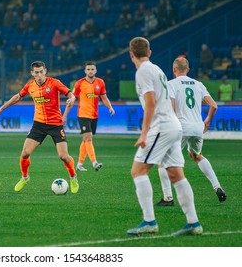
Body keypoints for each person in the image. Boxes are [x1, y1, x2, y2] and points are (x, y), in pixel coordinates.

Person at [126, 37, 202, 236]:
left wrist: (144, 134)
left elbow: (150, 103)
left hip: (161, 126)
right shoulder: (157, 69)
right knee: (176, 175)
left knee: (138, 171)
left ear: (131, 54)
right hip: (174, 125)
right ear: (149, 52)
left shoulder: (142, 71)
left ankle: (149, 221)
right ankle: (193, 222)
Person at [0, 61, 79, 193]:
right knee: (25, 153)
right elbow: (18, 97)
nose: (39, 75)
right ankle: (25, 177)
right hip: (38, 124)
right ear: (32, 73)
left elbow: (70, 94)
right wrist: (2, 108)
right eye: (36, 72)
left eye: (41, 72)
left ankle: (73, 177)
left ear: (45, 71)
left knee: (63, 156)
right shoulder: (30, 85)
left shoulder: (54, 83)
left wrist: (72, 100)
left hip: (56, 124)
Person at [156, 57, 227, 206]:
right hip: (197, 126)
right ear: (188, 69)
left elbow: (172, 108)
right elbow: (214, 106)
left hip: (181, 126)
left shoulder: (171, 84)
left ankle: (168, 198)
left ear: (174, 69)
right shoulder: (199, 84)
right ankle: (217, 186)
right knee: (196, 155)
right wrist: (207, 121)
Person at [63, 61, 115, 172]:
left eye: (92, 69)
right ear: (85, 71)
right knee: (88, 137)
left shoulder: (100, 82)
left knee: (86, 139)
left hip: (94, 115)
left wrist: (110, 107)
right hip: (83, 114)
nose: (90, 71)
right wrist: (69, 105)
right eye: (88, 69)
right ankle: (94, 162)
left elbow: (104, 98)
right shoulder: (79, 83)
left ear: (95, 70)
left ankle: (79, 164)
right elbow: (73, 97)